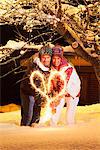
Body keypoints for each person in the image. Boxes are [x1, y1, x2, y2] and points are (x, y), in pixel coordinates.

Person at [20, 45, 52, 126]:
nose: (46, 59)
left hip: (39, 94)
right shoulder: (34, 68)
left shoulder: (49, 69)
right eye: (44, 57)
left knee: (36, 116)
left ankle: (33, 132)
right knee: (28, 115)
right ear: (40, 57)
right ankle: (23, 129)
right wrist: (43, 100)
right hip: (28, 92)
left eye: (48, 57)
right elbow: (35, 86)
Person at [49, 44, 81, 126]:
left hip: (72, 92)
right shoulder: (52, 68)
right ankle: (52, 126)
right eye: (54, 58)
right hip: (61, 92)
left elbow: (63, 83)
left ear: (61, 58)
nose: (56, 61)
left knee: (69, 116)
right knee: (55, 110)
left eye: (58, 58)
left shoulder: (67, 68)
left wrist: (57, 97)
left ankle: (70, 132)